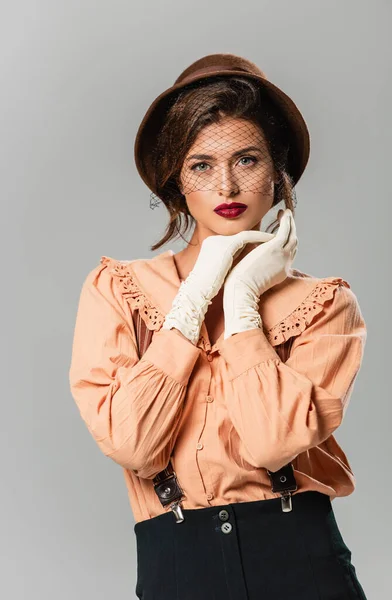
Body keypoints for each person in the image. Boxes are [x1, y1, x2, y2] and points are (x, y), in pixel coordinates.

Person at [69, 53, 368, 599]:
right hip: (178, 564)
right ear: (176, 181)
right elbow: (133, 444)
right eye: (201, 165)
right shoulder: (118, 290)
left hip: (299, 559)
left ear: (278, 175)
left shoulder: (324, 304)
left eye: (248, 160)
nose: (227, 185)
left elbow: (273, 442)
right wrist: (194, 299)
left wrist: (242, 297)